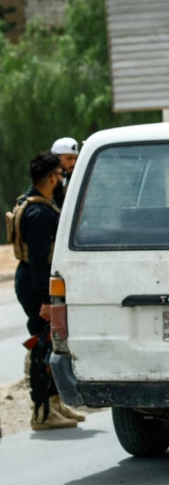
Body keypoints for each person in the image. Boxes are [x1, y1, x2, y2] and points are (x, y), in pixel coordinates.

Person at [15, 152, 83, 430]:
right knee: (42, 343)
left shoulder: (31, 201)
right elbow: (41, 262)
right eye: (59, 174)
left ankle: (54, 403)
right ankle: (41, 412)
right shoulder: (39, 213)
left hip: (32, 280)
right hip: (35, 284)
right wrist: (46, 300)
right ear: (52, 177)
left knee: (50, 340)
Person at [50, 137, 79, 209]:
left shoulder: (74, 179)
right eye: (69, 159)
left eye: (75, 158)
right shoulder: (49, 184)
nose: (73, 163)